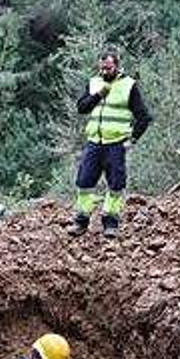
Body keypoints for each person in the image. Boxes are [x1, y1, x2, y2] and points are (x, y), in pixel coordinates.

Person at [67, 49, 153, 239]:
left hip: (116, 144)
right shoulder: (94, 82)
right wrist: (98, 95)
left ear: (117, 66)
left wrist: (132, 140)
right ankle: (81, 221)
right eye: (103, 68)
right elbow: (82, 108)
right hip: (94, 142)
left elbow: (144, 117)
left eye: (109, 68)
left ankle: (111, 224)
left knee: (115, 185)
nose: (105, 71)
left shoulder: (129, 85)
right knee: (84, 182)